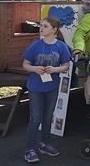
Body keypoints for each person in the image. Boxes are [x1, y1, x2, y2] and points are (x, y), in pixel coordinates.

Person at [22, 17, 72, 163]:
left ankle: (45, 144)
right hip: (35, 87)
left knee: (48, 117)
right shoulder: (35, 45)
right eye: (41, 26)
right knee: (35, 118)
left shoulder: (61, 46)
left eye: (45, 26)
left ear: (54, 30)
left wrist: (56, 69)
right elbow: (25, 64)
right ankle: (29, 149)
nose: (41, 28)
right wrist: (35, 69)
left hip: (52, 87)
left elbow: (66, 65)